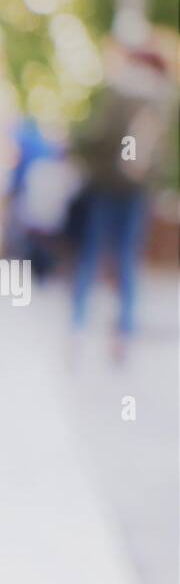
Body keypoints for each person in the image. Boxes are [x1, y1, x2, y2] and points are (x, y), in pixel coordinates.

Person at [69, 37, 177, 363]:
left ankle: (78, 328)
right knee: (127, 262)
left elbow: (98, 137)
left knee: (91, 256)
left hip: (106, 187)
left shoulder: (118, 93)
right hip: (136, 192)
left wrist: (82, 154)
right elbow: (160, 155)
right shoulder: (161, 100)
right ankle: (123, 334)